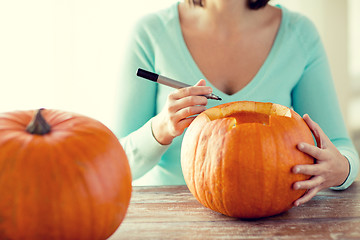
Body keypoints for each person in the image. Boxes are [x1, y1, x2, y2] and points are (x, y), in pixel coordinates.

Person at [116, 0, 359, 207]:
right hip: (168, 219)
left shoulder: (300, 34)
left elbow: (340, 146)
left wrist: (342, 170)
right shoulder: (150, 33)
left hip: (275, 221)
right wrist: (159, 129)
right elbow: (115, 165)